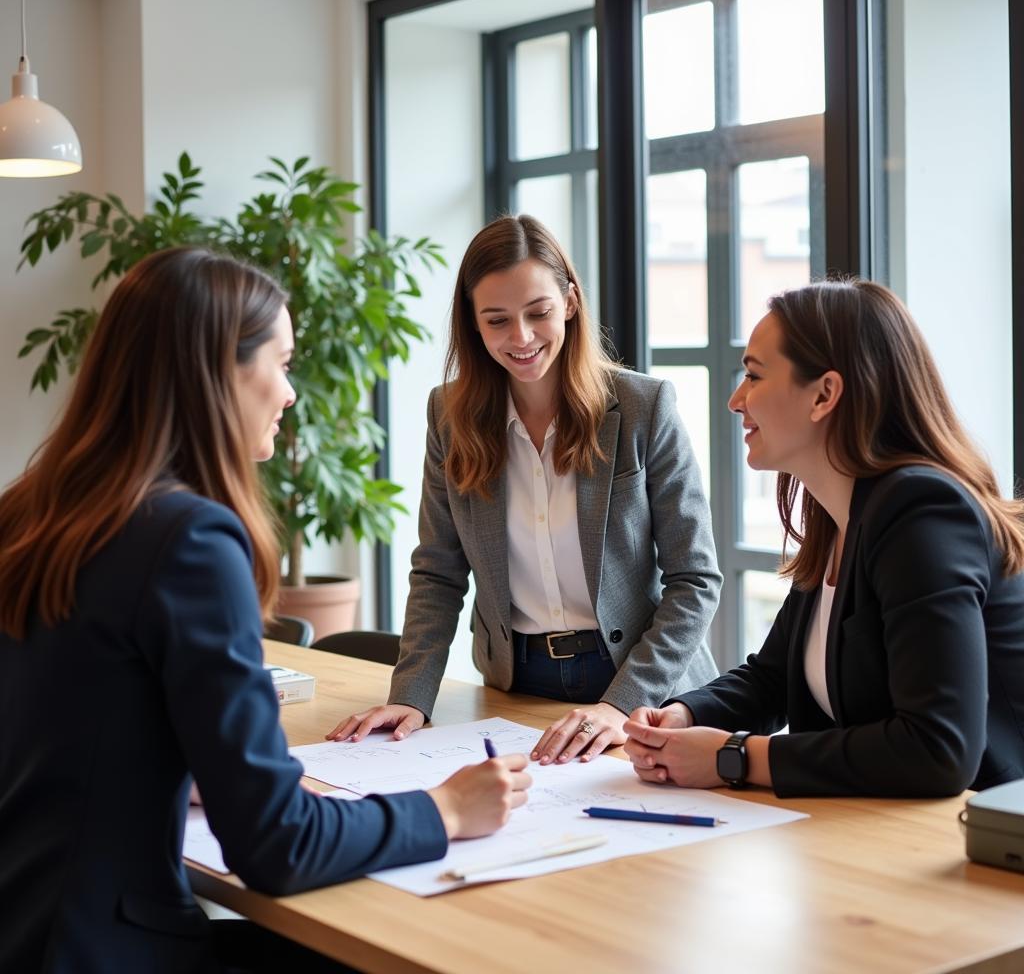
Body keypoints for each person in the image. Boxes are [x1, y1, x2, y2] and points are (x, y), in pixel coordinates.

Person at [0, 246, 531, 974]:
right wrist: (445, 810)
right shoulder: (187, 539)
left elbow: (73, 718)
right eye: (280, 363)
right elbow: (277, 845)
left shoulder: (31, 511)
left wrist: (183, 774)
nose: (289, 393)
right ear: (219, 370)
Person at [327, 214, 721, 764]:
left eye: (538, 312)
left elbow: (695, 579)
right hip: (517, 685)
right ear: (474, 324)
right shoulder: (449, 416)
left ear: (571, 302)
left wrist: (620, 704)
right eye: (497, 321)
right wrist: (411, 697)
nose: (522, 338)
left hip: (647, 691)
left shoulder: (642, 407)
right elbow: (438, 573)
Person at [623, 278, 1024, 797]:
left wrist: (733, 758)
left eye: (753, 376)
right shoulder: (842, 514)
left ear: (825, 394)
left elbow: (937, 749)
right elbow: (773, 678)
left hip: (976, 848)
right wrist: (682, 715)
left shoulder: (922, 512)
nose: (735, 400)